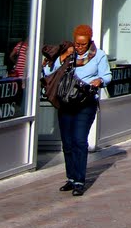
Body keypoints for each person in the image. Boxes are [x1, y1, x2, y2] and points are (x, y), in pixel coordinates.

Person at [45, 24, 111, 196]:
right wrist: (63, 57)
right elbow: (47, 71)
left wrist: (99, 81)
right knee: (67, 143)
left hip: (85, 103)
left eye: (83, 44)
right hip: (66, 102)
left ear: (89, 41)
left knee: (79, 141)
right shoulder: (68, 53)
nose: (80, 47)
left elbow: (107, 75)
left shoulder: (99, 56)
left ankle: (80, 181)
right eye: (77, 43)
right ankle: (71, 178)